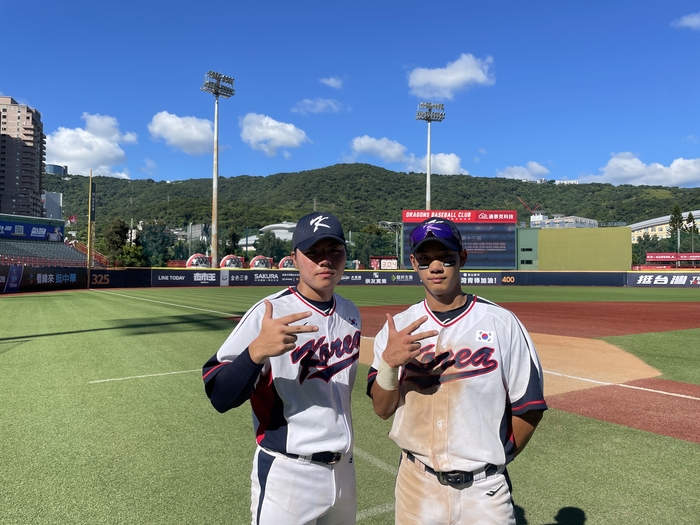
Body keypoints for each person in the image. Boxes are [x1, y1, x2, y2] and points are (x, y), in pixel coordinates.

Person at [367, 217, 547, 525]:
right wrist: (389, 364)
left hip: (484, 491)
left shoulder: (501, 322)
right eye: (425, 259)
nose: (435, 267)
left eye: (445, 257)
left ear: (462, 258)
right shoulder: (398, 328)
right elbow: (382, 410)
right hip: (416, 485)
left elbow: (528, 407)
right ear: (414, 263)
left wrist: (496, 458)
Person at [203, 212, 361, 525]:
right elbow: (218, 393)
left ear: (345, 255)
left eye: (334, 250)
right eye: (313, 252)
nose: (325, 260)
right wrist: (256, 352)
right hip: (289, 474)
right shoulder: (271, 312)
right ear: (294, 258)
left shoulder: (350, 312)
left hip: (344, 471)